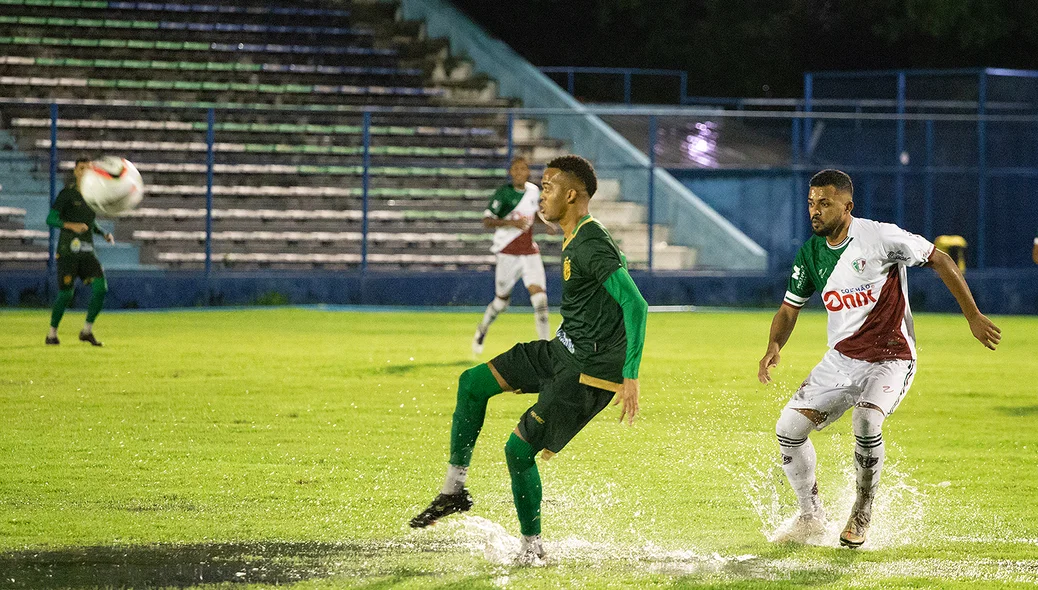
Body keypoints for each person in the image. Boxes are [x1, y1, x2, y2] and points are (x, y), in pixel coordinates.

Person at [411, 155, 648, 565]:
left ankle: (532, 550)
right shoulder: (573, 235)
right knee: (472, 383)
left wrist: (630, 375)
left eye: (550, 187)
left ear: (572, 194)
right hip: (561, 350)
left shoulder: (591, 241)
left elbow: (636, 304)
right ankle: (453, 491)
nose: (542, 196)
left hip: (587, 373)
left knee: (517, 451)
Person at [758, 169, 1001, 548]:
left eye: (824, 203)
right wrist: (774, 346)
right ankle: (810, 516)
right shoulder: (810, 253)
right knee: (788, 430)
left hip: (892, 357)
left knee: (867, 418)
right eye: (811, 203)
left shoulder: (879, 237)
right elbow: (790, 309)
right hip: (841, 360)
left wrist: (972, 315)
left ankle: (863, 509)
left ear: (847, 206)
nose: (815, 211)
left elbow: (939, 259)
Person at [472, 156, 555, 355]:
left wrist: (546, 223)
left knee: (540, 300)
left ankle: (547, 351)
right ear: (510, 173)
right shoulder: (503, 194)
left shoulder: (534, 191)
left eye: (523, 169)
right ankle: (482, 329)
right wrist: (511, 223)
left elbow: (533, 213)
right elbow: (487, 220)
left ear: (528, 172)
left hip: (529, 252)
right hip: (507, 253)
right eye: (515, 169)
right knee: (501, 302)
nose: (519, 173)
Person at [45, 158, 114, 347]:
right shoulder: (67, 194)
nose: (85, 172)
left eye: (88, 169)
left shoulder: (92, 196)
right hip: (68, 251)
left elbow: (90, 222)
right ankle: (52, 333)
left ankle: (87, 331)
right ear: (75, 171)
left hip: (87, 251)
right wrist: (71, 225)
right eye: (81, 168)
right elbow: (50, 219)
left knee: (101, 288)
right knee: (66, 294)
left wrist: (103, 233)